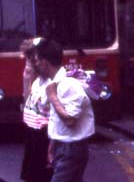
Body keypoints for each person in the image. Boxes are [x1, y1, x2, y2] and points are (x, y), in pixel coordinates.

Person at [37, 38, 94, 182]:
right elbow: (57, 119)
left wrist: (53, 97)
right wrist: (53, 143)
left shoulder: (69, 84)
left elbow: (70, 120)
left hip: (72, 150)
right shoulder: (54, 83)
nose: (36, 64)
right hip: (64, 146)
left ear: (44, 62)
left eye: (37, 60)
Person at [20, 38, 54, 182]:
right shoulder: (36, 82)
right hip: (33, 134)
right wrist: (26, 80)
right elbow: (28, 104)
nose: (28, 66)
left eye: (32, 60)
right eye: (27, 60)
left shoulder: (52, 83)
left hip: (44, 135)